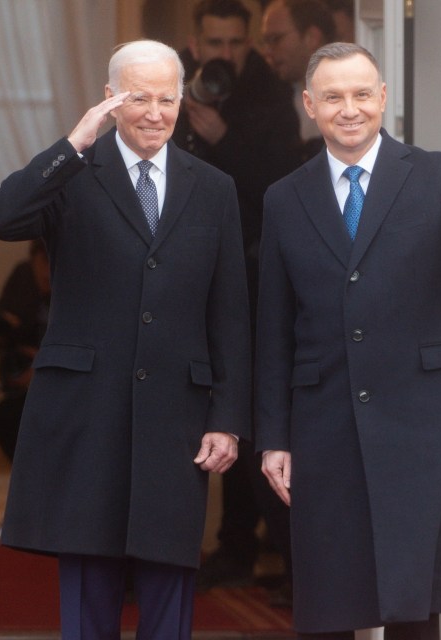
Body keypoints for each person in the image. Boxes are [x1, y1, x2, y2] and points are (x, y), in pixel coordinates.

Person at [255, 43, 441, 639]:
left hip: (415, 418)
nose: (348, 108)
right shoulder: (284, 198)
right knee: (328, 599)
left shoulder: (437, 174)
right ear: (309, 105)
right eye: (333, 97)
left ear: (384, 98)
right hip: (322, 422)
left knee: (414, 602)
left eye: (361, 94)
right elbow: (274, 326)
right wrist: (273, 436)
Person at [0, 40, 252, 640]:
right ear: (109, 99)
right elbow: (2, 217)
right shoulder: (74, 173)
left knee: (168, 594)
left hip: (177, 419)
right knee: (90, 591)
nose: (154, 113)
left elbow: (230, 313)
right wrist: (74, 143)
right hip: (86, 412)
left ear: (181, 100)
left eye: (167, 99)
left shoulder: (214, 188)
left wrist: (227, 419)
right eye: (138, 99)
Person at [173, 0, 300, 599]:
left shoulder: (271, 98)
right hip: (175, 278)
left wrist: (222, 139)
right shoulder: (168, 92)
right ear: (194, 44)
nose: (224, 55)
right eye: (214, 43)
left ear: (247, 44)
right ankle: (161, 549)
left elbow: (279, 190)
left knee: (243, 415)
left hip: (246, 279)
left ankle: (240, 544)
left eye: (235, 44)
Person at [0, 238, 50, 461]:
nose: (48, 272)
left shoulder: (81, 286)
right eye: (43, 262)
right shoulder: (24, 279)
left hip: (66, 384)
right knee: (5, 416)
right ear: (34, 260)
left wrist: (44, 364)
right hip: (24, 387)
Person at [260, 0, 336, 159]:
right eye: (265, 42)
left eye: (275, 39)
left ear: (312, 38)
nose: (267, 51)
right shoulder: (270, 95)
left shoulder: (353, 92)